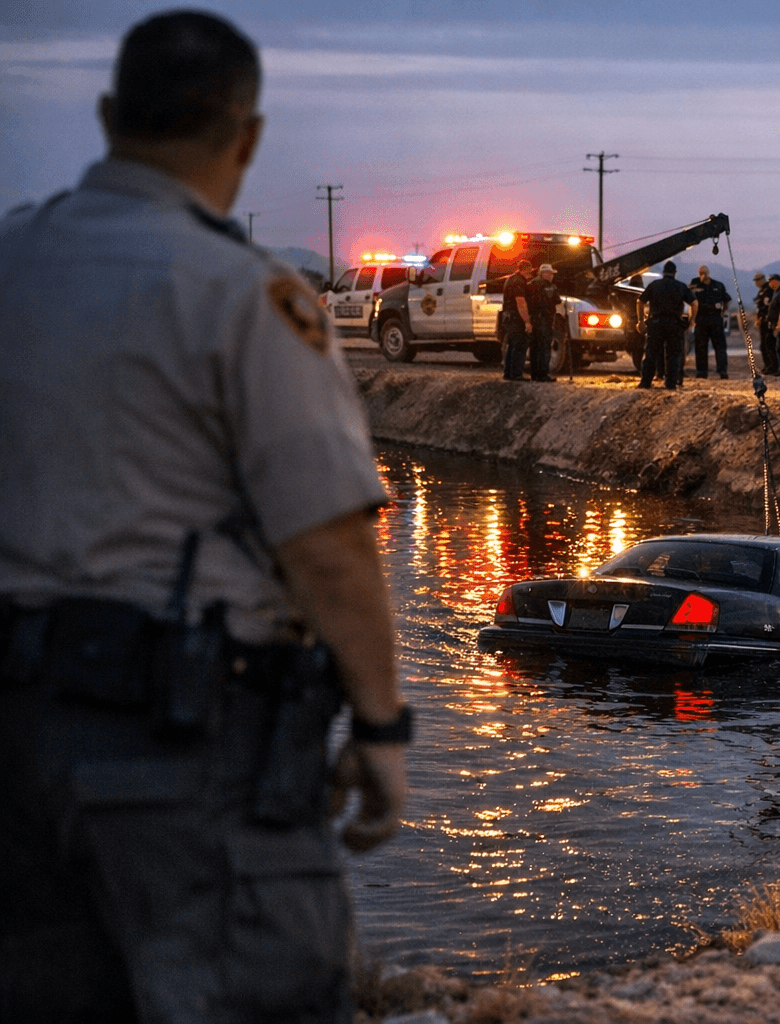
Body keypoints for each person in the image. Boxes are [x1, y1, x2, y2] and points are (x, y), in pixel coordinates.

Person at [0, 12, 408, 1021]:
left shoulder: (13, 261)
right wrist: (383, 723)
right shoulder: (243, 293)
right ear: (247, 136)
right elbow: (328, 541)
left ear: (107, 116)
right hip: (181, 739)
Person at [638, 261, 697, 390]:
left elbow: (640, 301)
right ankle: (670, 384)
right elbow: (694, 303)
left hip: (656, 324)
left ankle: (645, 383)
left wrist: (641, 321)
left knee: (651, 353)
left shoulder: (654, 285)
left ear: (663, 273)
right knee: (674, 355)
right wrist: (692, 321)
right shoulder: (681, 286)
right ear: (675, 273)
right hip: (674, 325)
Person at [689, 264, 731, 379]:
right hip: (701, 319)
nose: (703, 275)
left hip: (715, 318)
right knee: (701, 347)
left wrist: (722, 312)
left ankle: (722, 371)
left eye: (705, 273)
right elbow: (689, 299)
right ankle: (702, 372)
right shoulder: (695, 283)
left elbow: (727, 300)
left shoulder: (718, 285)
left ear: (709, 273)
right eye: (701, 273)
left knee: (720, 346)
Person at [525, 262, 561, 381]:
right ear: (543, 274)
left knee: (534, 348)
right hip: (545, 320)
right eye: (550, 273)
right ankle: (543, 375)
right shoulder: (550, 286)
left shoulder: (530, 285)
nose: (552, 276)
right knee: (545, 347)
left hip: (533, 319)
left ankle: (534, 374)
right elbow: (557, 301)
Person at [501, 258, 535, 380]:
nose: (530, 275)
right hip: (515, 318)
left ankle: (508, 372)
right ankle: (516, 374)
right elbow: (521, 302)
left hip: (508, 317)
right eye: (529, 272)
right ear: (525, 269)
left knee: (512, 345)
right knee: (520, 345)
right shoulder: (519, 281)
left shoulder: (511, 279)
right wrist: (527, 322)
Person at [753, 271, 779, 375]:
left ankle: (773, 367)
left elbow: (768, 306)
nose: (755, 283)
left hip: (768, 321)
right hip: (762, 321)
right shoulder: (761, 291)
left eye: (757, 280)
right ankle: (767, 366)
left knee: (768, 344)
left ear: (761, 279)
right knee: (763, 345)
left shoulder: (768, 290)